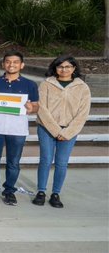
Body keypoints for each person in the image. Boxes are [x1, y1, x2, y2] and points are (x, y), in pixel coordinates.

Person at [0, 52, 37, 205]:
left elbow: (36, 106)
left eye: (16, 62)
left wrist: (32, 107)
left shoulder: (30, 84)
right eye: (8, 62)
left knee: (13, 162)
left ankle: (9, 191)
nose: (12, 64)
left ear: (22, 65)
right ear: (3, 64)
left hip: (17, 130)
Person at [34, 55, 91, 209]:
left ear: (74, 68)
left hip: (69, 130)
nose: (64, 69)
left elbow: (83, 113)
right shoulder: (46, 84)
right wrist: (55, 130)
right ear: (55, 68)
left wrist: (67, 132)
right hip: (46, 128)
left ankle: (56, 193)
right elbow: (41, 108)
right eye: (60, 66)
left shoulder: (82, 87)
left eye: (67, 67)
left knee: (61, 163)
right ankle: (41, 192)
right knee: (45, 160)